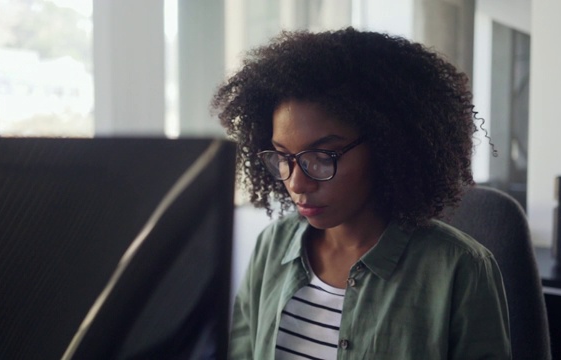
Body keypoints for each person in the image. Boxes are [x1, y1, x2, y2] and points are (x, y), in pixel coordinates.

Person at [211, 27, 510, 359]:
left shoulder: (460, 269)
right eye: (283, 157)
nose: (296, 183)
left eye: (322, 158)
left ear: (387, 147)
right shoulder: (273, 246)